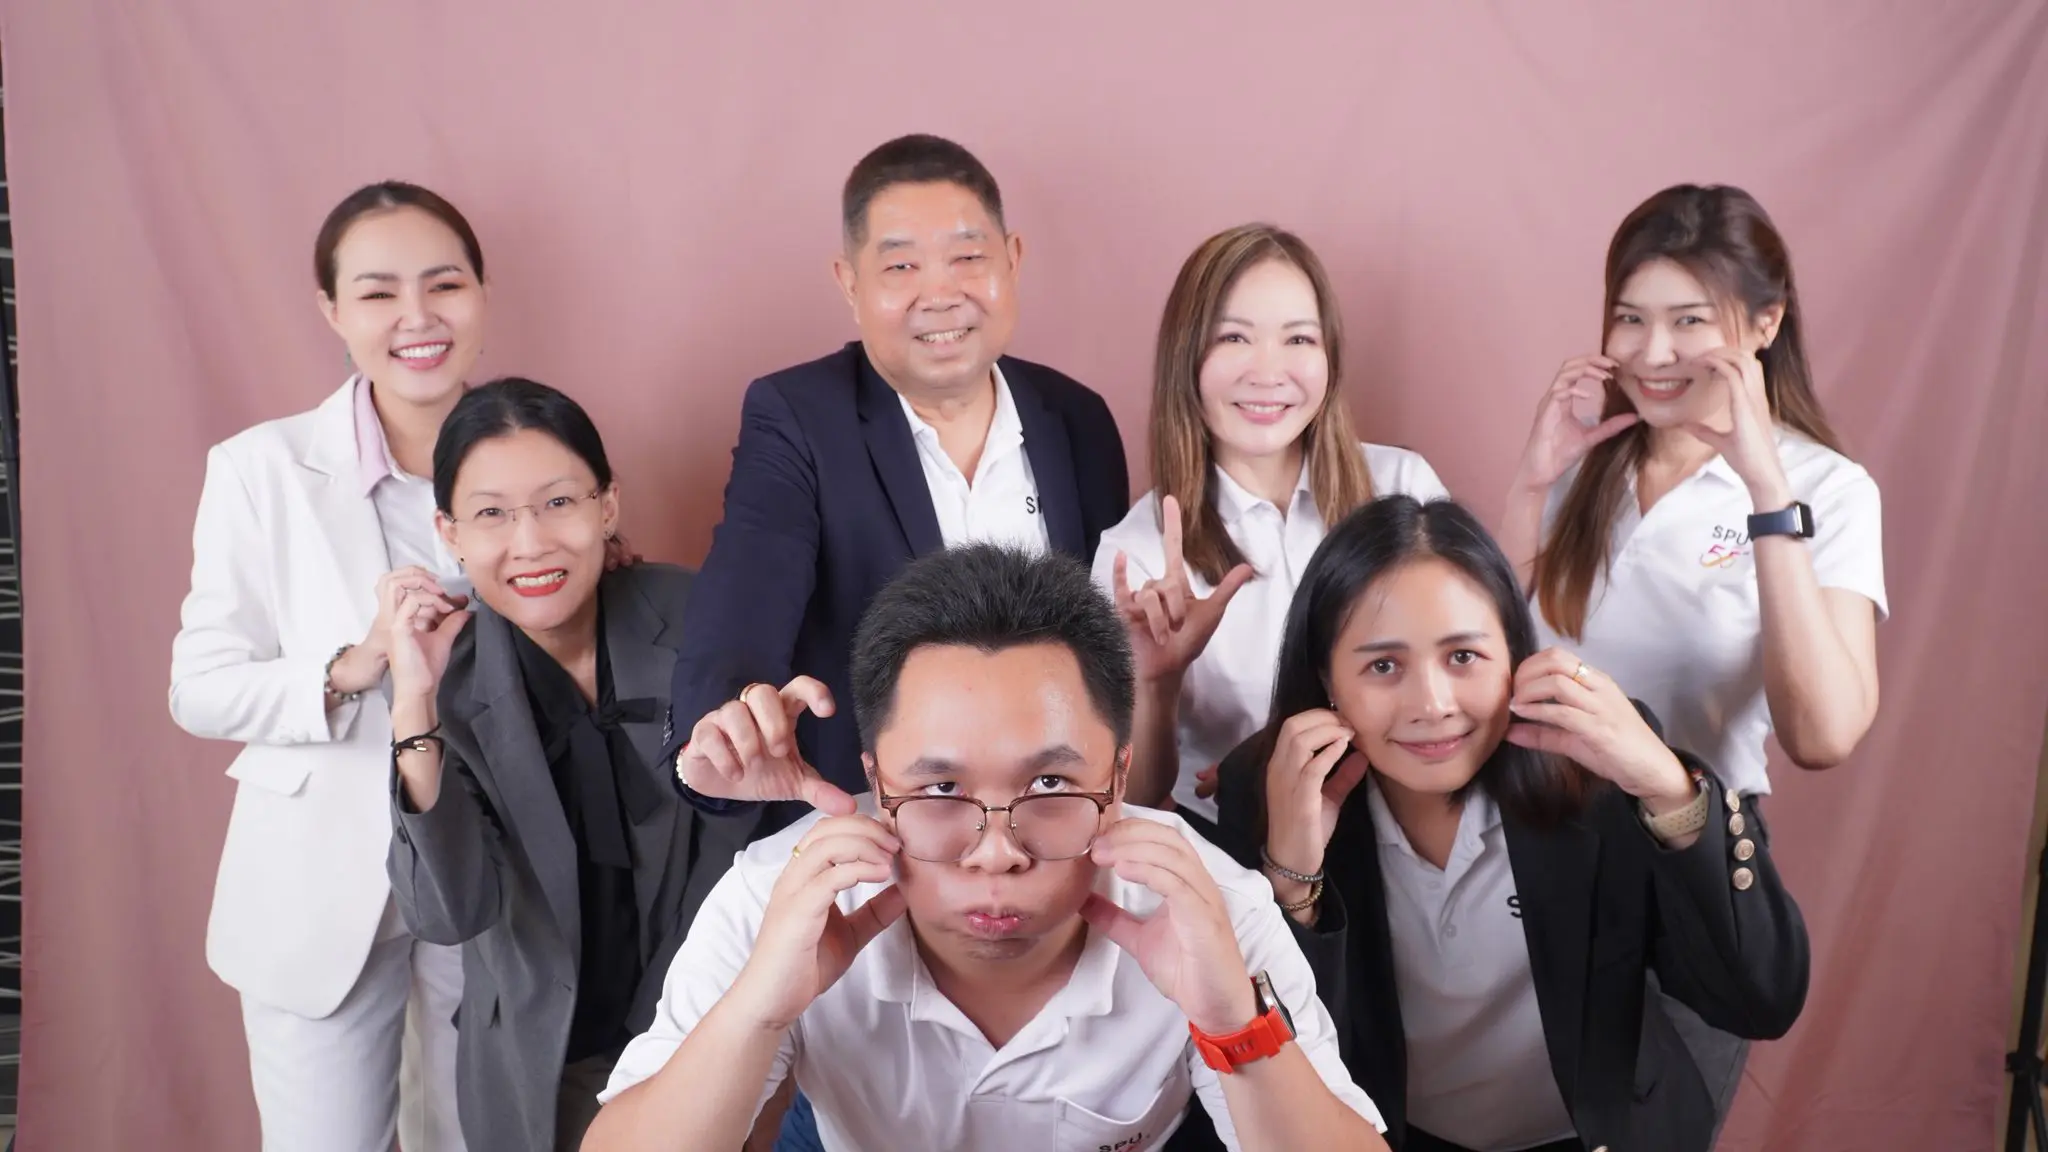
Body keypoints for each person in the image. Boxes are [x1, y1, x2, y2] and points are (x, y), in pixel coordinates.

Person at [588, 545, 1390, 1151]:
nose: (997, 852)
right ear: (874, 780)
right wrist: (759, 1010)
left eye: (1049, 785)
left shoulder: (1207, 903)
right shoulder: (782, 894)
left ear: (1118, 779)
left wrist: (1234, 1023)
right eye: (940, 789)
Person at [1216, 495, 1811, 1152]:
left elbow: (1761, 999)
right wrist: (1292, 881)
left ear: (1514, 652)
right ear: (1327, 678)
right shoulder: (1266, 785)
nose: (1433, 705)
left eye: (1463, 657)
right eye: (1383, 666)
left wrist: (1668, 788)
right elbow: (1278, 1081)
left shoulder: (1593, 767)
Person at [1494, 184, 1885, 1131]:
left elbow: (1824, 734)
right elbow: (1490, 655)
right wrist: (1534, 482)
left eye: (1689, 321)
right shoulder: (1592, 461)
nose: (1653, 352)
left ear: (1765, 324)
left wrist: (1764, 492)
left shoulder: (1825, 488)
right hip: (1527, 856)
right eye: (1630, 318)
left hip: (1685, 863)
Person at [663, 133, 1130, 819]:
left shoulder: (1077, 419)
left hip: (1052, 831)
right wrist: (723, 731)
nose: (939, 295)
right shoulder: (798, 417)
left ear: (1013, 260)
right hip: (871, 830)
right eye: (901, 266)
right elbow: (744, 593)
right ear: (850, 283)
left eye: (967, 258)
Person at [169, 180, 484, 1152]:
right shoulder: (259, 469)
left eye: (444, 284)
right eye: (379, 292)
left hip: (489, 876)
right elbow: (198, 686)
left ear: (481, 294)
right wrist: (354, 664)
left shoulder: (534, 453)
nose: (417, 317)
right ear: (332, 311)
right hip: (313, 892)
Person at [384, 379, 757, 1151]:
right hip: (540, 1062)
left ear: (607, 506)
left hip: (706, 1028)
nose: (530, 543)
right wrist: (413, 701)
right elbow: (449, 914)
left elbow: (745, 841)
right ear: (449, 533)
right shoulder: (449, 680)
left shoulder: (699, 617)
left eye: (558, 502)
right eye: (492, 514)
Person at [1091, 223, 1448, 833]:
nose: (1268, 371)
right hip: (1240, 851)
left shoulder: (1404, 488)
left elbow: (1468, 675)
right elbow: (1136, 800)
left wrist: (1268, 759)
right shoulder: (1137, 555)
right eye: (1234, 337)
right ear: (1186, 358)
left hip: (1413, 831)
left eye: (1298, 338)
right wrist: (1158, 681)